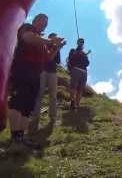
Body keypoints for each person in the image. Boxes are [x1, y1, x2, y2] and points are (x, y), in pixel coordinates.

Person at [8, 13, 65, 152]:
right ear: (35, 20)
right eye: (42, 21)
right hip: (22, 70)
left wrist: (57, 47)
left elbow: (47, 59)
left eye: (46, 23)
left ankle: (21, 136)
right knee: (18, 102)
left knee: (28, 106)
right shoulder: (27, 28)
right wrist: (51, 41)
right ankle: (15, 137)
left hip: (35, 75)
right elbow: (28, 38)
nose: (44, 24)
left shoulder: (41, 41)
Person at [31, 32, 63, 132]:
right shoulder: (44, 45)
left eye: (56, 37)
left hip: (53, 72)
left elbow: (57, 61)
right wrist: (56, 48)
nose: (55, 39)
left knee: (53, 96)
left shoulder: (56, 48)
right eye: (53, 37)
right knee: (39, 94)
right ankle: (35, 119)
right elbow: (48, 59)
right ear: (50, 38)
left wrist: (57, 48)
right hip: (43, 71)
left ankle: (52, 118)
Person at [67, 38, 90, 110]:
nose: (81, 43)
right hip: (75, 69)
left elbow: (87, 63)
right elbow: (70, 59)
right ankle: (72, 102)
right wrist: (78, 53)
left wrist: (84, 55)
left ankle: (77, 104)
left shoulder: (84, 53)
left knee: (80, 89)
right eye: (80, 42)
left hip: (84, 72)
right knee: (73, 87)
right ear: (77, 43)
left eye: (82, 42)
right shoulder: (73, 50)